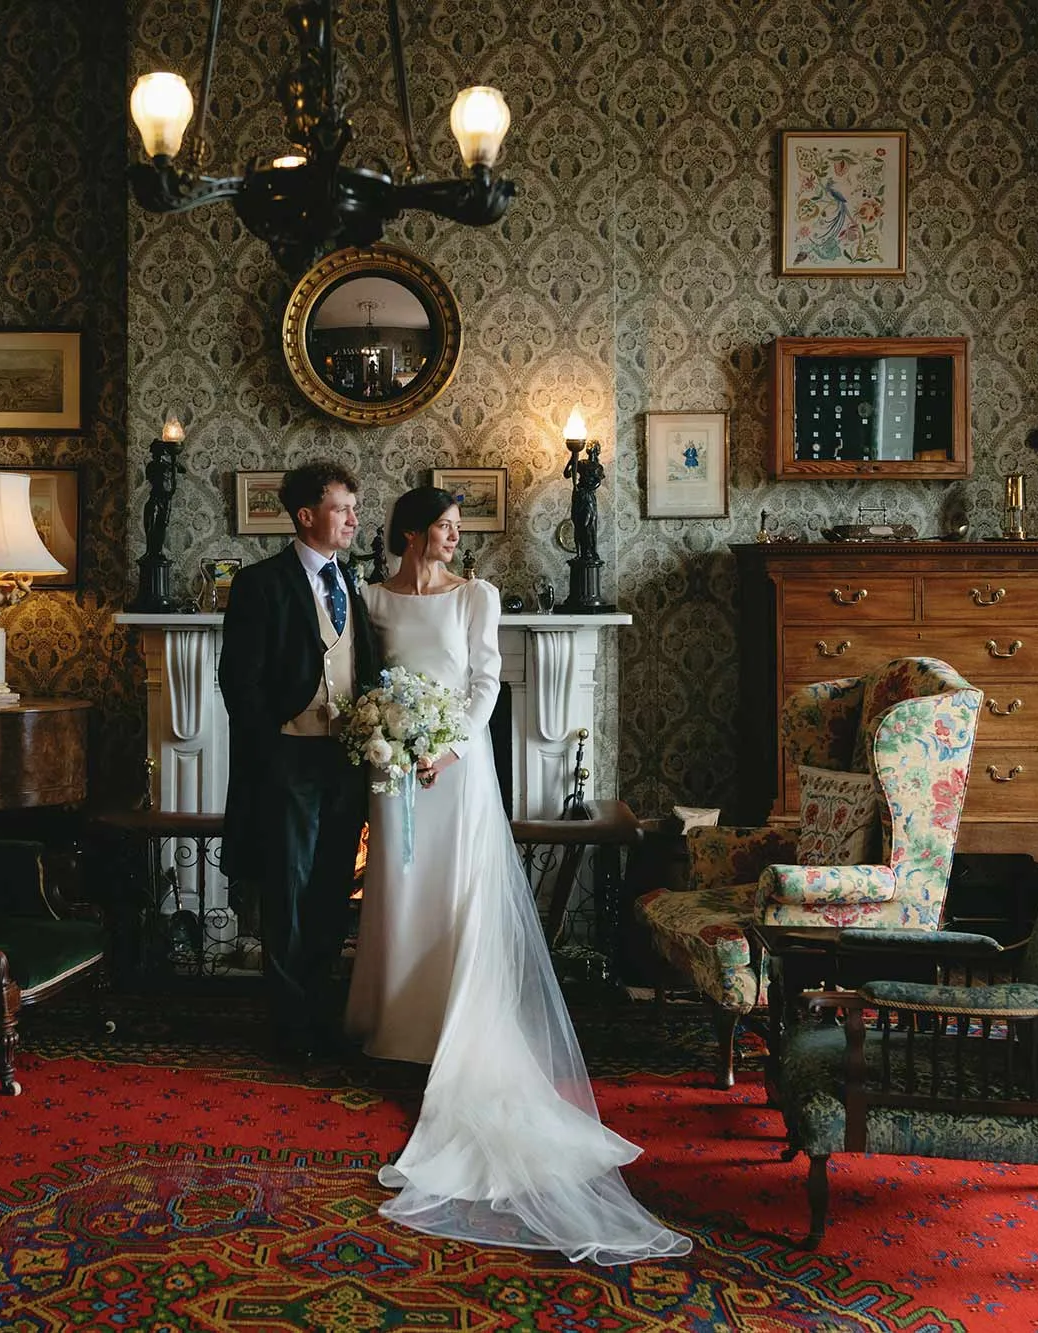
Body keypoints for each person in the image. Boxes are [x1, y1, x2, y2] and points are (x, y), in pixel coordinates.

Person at [345, 486, 690, 1266]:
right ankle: (394, 1021)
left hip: (454, 770)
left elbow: (486, 684)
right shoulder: (371, 598)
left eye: (455, 525)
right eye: (441, 526)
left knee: (455, 895)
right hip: (392, 767)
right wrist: (387, 737)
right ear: (409, 533)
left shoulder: (478, 595)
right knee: (397, 893)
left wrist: (444, 746)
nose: (453, 535)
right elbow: (365, 677)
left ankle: (454, 1028)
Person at [219, 460, 382, 1063]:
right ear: (307, 515)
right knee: (287, 893)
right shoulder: (261, 584)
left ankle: (322, 1016)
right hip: (287, 761)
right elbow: (238, 683)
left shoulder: (351, 581)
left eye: (355, 508)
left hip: (343, 761)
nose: (353, 519)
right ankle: (289, 1028)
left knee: (332, 892)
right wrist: (274, 748)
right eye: (342, 508)